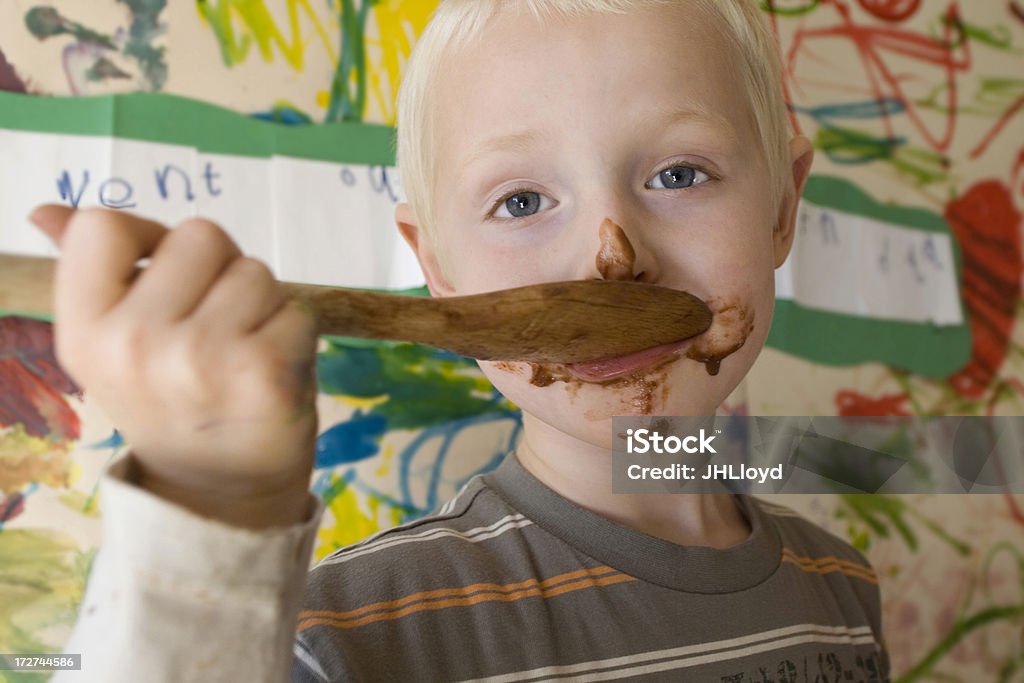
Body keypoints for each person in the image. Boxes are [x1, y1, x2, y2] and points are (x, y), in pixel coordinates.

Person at [39, 0, 889, 680]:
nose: (611, 255)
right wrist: (208, 518)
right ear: (437, 267)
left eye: (679, 174)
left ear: (781, 210)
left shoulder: (844, 584)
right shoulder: (352, 633)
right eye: (520, 201)